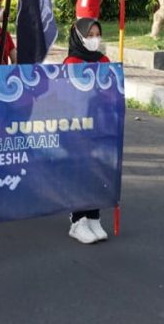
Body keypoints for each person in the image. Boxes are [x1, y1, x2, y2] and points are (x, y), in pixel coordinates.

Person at [61, 18, 111, 244]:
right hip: (77, 127)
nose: (94, 39)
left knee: (98, 171)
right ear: (79, 37)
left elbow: (111, 91)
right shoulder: (71, 62)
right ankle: (77, 220)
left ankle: (94, 216)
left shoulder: (104, 60)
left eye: (97, 34)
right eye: (89, 35)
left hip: (100, 125)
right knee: (80, 172)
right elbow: (69, 96)